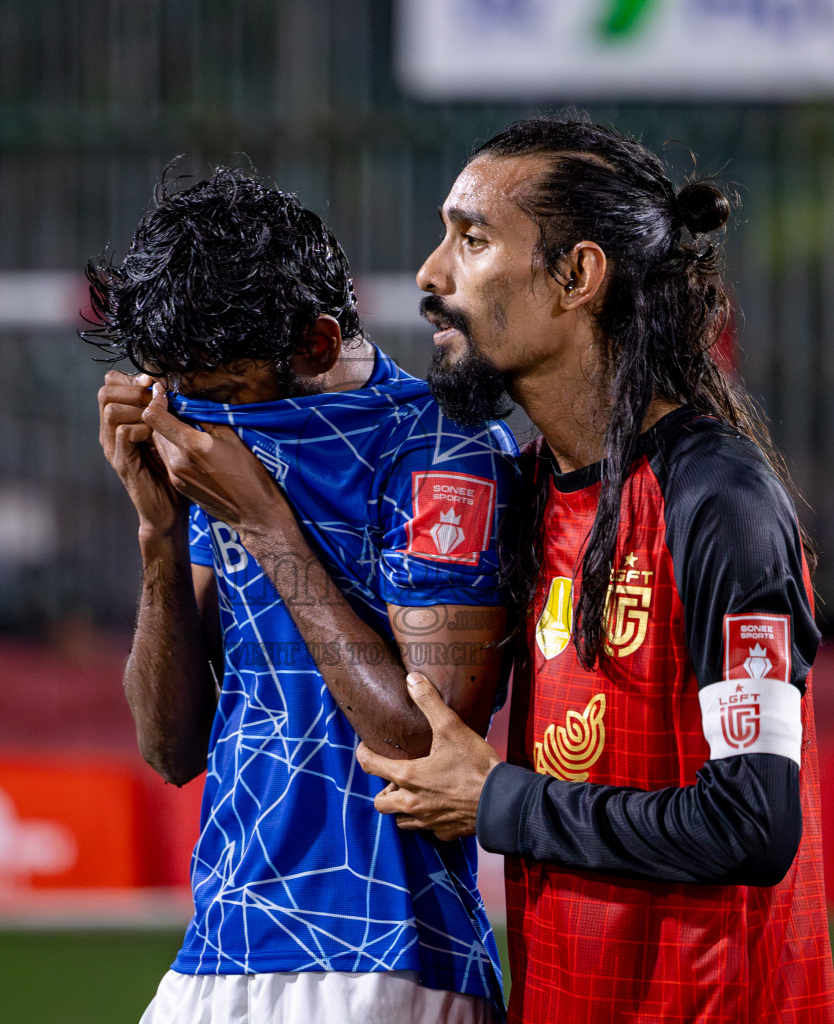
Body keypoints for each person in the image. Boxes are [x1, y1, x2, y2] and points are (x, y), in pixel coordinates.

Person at [356, 116, 834, 1022]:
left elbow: (753, 824)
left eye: (472, 239)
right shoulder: (530, 492)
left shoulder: (718, 500)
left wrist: (498, 799)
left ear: (576, 277)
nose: (430, 275)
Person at [87, 168, 515, 1023]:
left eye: (220, 392)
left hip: (387, 954)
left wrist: (265, 526)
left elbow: (423, 745)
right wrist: (158, 534)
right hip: (220, 944)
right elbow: (170, 749)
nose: (191, 423)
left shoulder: (443, 449)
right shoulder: (227, 437)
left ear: (318, 343)